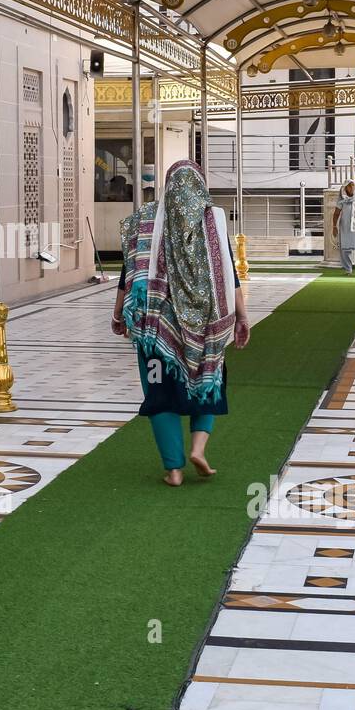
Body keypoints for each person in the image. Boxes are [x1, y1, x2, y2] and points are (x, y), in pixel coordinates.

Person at [110, 160, 250, 487]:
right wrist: (242, 315)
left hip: (156, 330)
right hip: (205, 329)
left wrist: (118, 315)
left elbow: (127, 276)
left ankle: (173, 469)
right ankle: (198, 450)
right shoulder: (213, 220)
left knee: (160, 392)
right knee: (209, 380)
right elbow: (229, 275)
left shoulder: (145, 222)